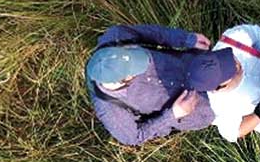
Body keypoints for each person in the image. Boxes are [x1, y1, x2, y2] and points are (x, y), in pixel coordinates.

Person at [86, 24, 238, 146]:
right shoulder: (109, 109)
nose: (143, 63)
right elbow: (134, 137)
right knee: (240, 108)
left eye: (134, 54)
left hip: (197, 65)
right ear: (121, 81)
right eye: (136, 68)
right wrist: (173, 115)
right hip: (200, 108)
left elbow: (152, 33)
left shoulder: (116, 36)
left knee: (240, 72)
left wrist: (186, 39)